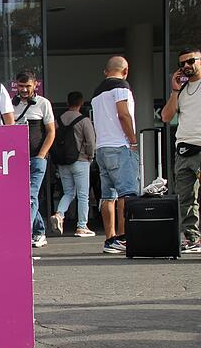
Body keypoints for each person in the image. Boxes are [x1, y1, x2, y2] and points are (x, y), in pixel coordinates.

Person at [91, 56, 139, 254]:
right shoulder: (121, 86)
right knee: (127, 193)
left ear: (105, 71)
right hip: (119, 145)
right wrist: (133, 140)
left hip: (101, 147)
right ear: (126, 70)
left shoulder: (96, 94)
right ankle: (124, 237)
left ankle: (110, 239)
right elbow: (123, 113)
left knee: (107, 196)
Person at [160, 48, 201, 253]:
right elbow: (166, 117)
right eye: (182, 64)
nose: (186, 66)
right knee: (185, 197)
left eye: (191, 61)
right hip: (183, 149)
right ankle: (193, 238)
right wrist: (175, 90)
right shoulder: (182, 90)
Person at [12, 70, 55, 248]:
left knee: (30, 196)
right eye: (21, 86)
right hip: (16, 159)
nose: (24, 90)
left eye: (27, 86)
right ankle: (39, 231)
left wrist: (41, 155)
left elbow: (51, 131)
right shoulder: (9, 104)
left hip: (37, 157)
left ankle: (24, 235)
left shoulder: (43, 103)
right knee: (23, 196)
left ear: (35, 85)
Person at [50, 91, 97, 238]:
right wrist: (90, 156)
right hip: (81, 160)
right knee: (83, 195)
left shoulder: (59, 120)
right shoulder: (84, 120)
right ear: (81, 103)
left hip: (63, 162)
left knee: (69, 192)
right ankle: (82, 226)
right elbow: (90, 141)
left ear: (67, 103)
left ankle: (59, 213)